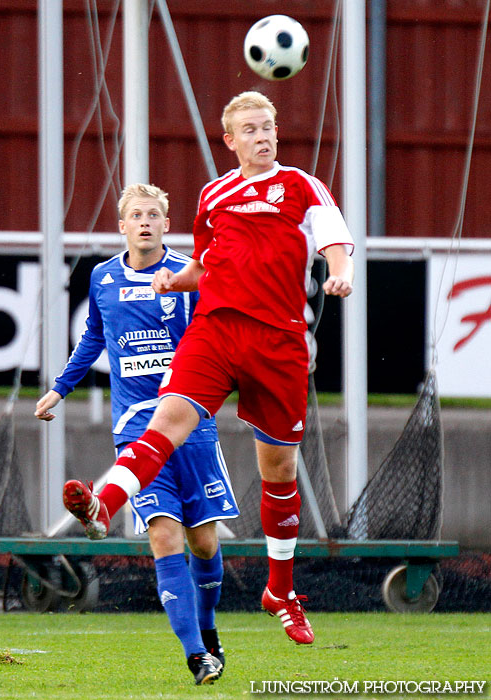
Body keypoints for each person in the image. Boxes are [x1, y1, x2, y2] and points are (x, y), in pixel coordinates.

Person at [63, 91, 355, 646]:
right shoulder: (213, 195)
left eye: (268, 126)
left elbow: (333, 239)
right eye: (251, 129)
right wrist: (178, 280)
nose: (263, 135)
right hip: (217, 329)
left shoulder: (300, 185)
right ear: (231, 140)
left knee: (279, 471)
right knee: (168, 419)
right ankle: (106, 504)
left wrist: (340, 272)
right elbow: (206, 262)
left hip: (278, 341)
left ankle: (280, 591)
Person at [36, 183, 239, 685]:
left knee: (206, 545)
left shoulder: (189, 275)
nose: (145, 222)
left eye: (153, 214)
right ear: (122, 225)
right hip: (135, 430)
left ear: (166, 225)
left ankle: (208, 630)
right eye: (135, 215)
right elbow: (94, 339)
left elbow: (220, 332)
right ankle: (197, 657)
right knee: (165, 538)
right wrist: (60, 389)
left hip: (190, 424)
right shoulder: (104, 277)